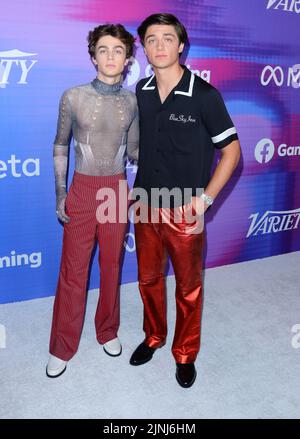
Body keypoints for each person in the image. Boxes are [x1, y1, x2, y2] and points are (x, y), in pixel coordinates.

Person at [129, 13, 241, 388]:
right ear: (143, 47)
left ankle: (185, 352)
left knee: (188, 287)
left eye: (167, 39)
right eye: (151, 40)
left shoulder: (205, 95)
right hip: (144, 203)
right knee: (148, 278)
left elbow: (232, 152)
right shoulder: (141, 92)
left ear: (181, 45)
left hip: (185, 209)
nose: (159, 46)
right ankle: (154, 336)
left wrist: (205, 200)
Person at [46, 24, 138, 378]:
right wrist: (60, 192)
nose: (110, 56)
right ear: (93, 55)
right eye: (103, 49)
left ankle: (108, 330)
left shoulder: (132, 101)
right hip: (82, 189)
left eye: (118, 50)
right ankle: (62, 345)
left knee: (113, 265)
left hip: (116, 190)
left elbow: (133, 151)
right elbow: (60, 145)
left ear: (128, 58)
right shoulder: (73, 96)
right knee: (73, 270)